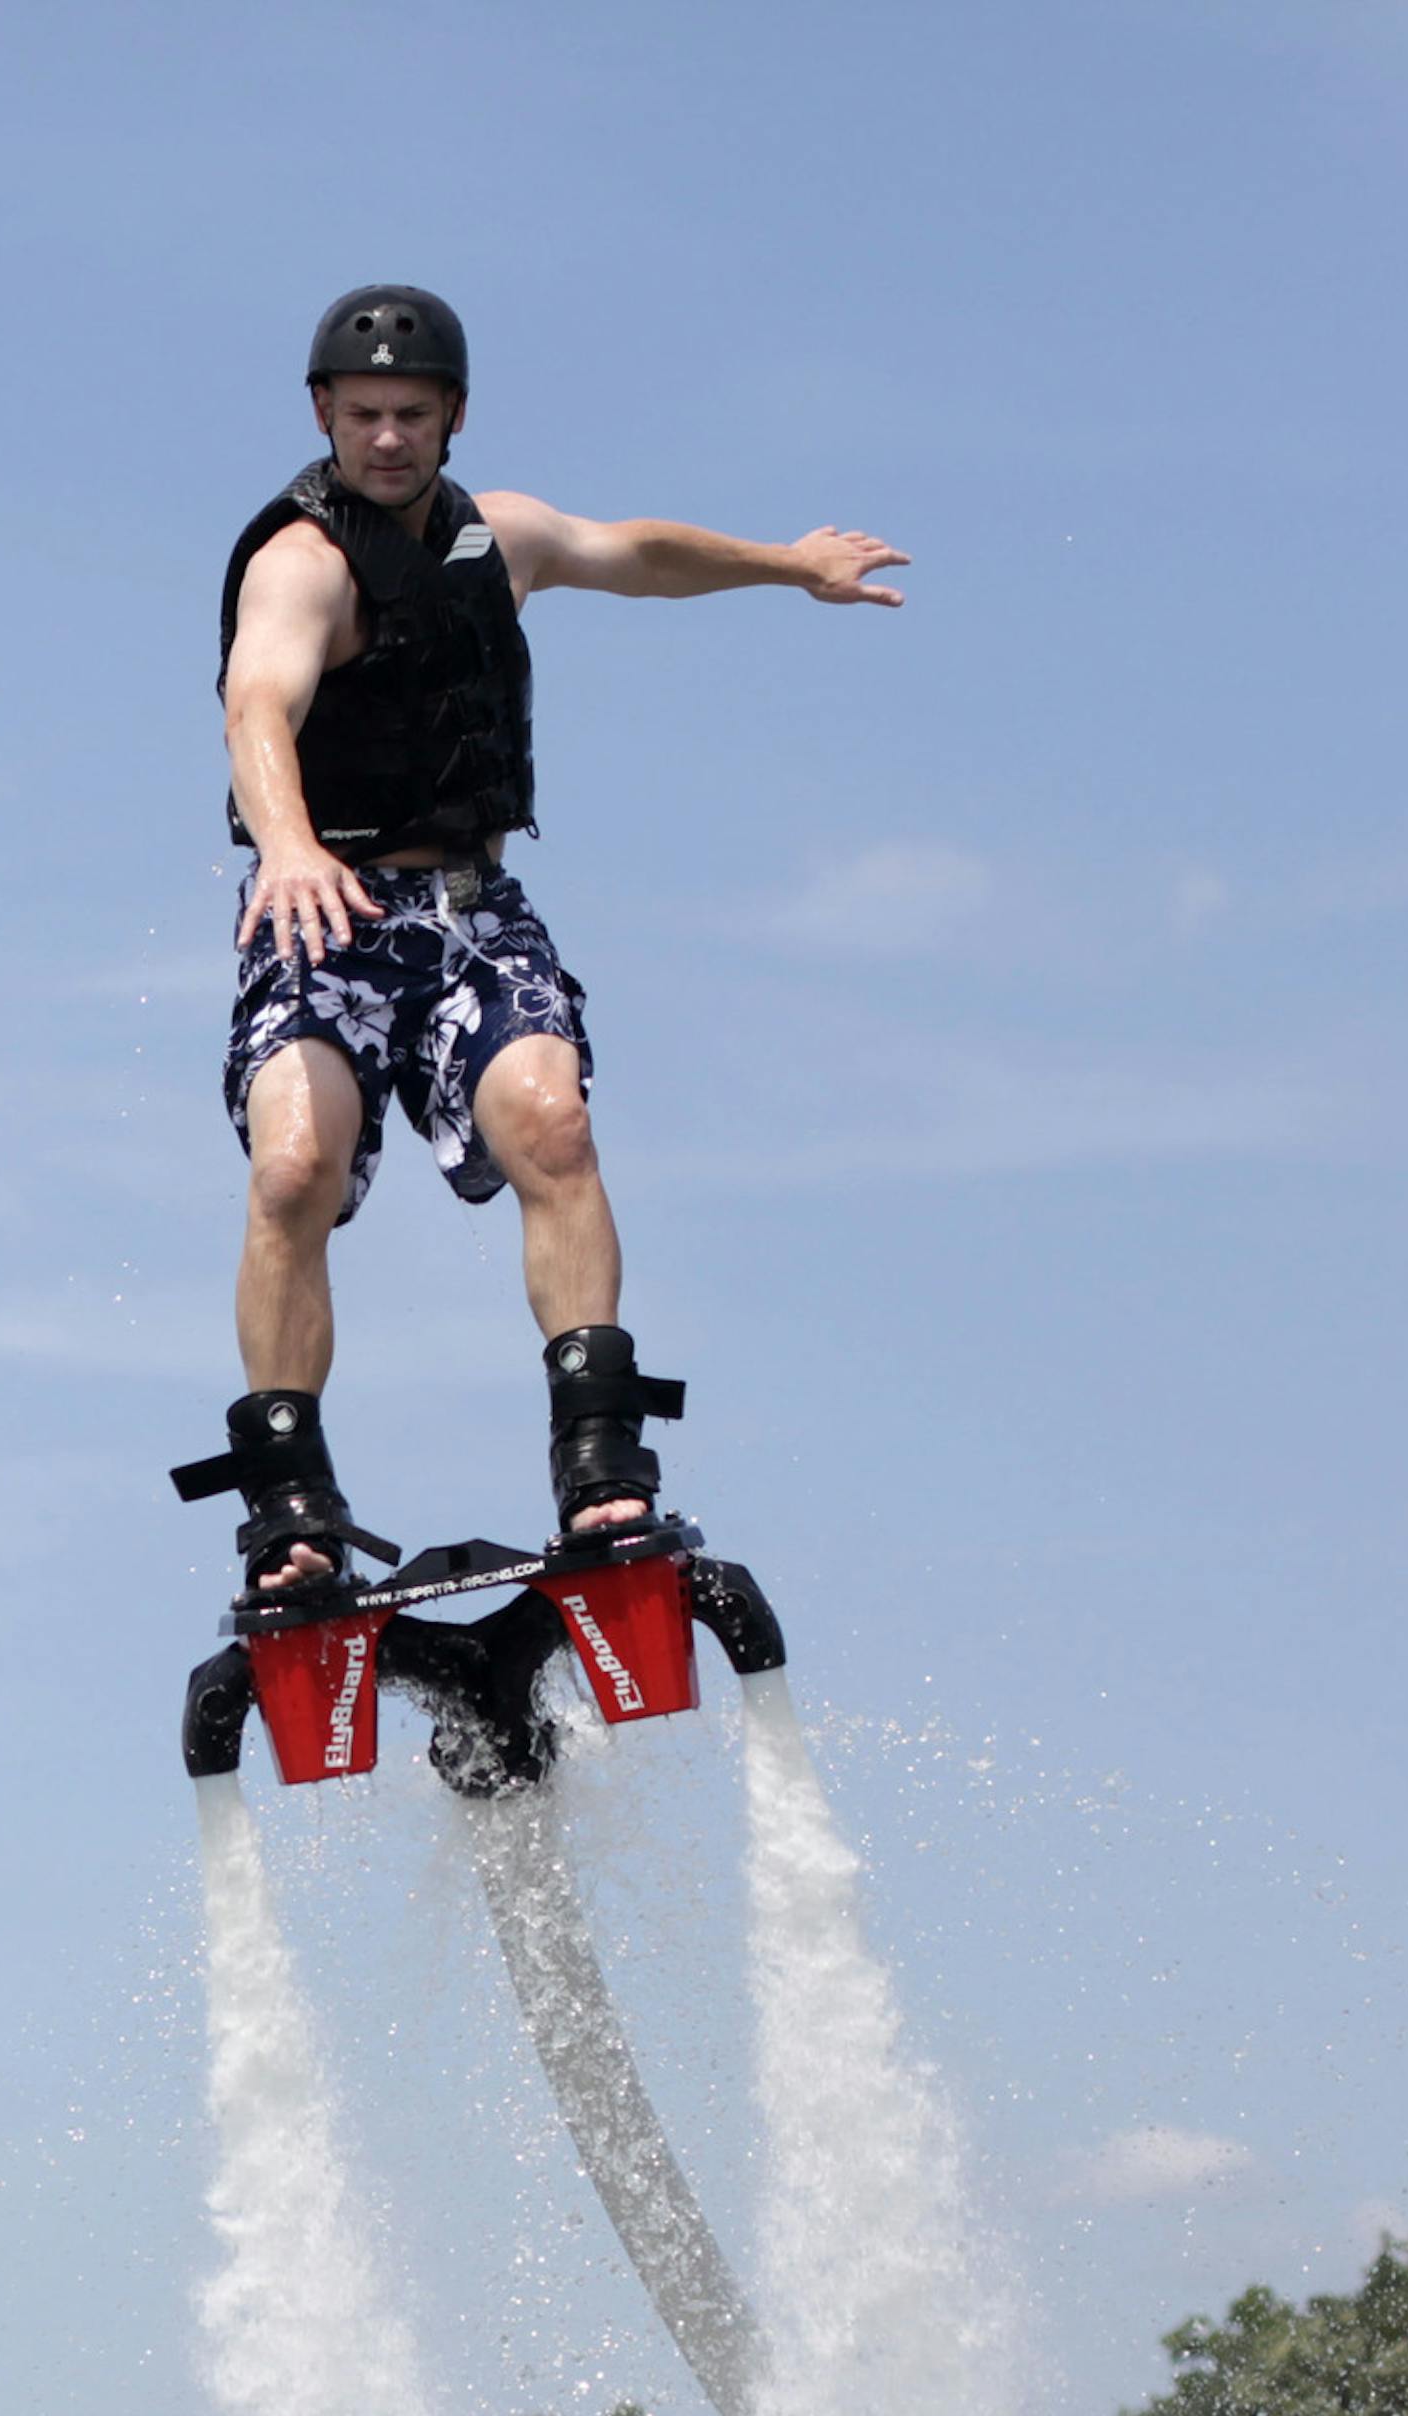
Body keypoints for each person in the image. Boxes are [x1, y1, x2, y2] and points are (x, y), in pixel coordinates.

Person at [191, 283, 906, 1599]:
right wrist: (287, 843)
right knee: (294, 1169)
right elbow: (255, 704)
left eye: (413, 415)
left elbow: (634, 552)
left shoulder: (499, 534)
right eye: (365, 415)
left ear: (454, 416)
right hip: (327, 908)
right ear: (323, 413)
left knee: (554, 1124)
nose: (389, 438)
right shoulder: (302, 562)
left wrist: (789, 563)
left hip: (472, 909)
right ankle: (290, 1510)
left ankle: (601, 1468)